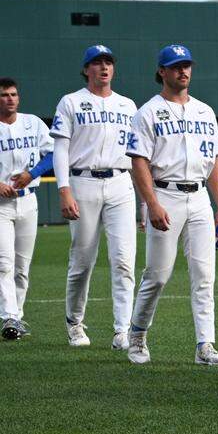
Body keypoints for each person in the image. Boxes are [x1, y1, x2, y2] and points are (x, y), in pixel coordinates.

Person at [124, 45, 218, 365]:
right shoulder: (147, 112)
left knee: (204, 275)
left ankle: (205, 346)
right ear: (162, 71)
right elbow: (139, 162)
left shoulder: (204, 111)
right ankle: (138, 334)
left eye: (186, 66)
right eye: (175, 67)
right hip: (166, 194)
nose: (183, 71)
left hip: (199, 197)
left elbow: (212, 161)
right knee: (157, 275)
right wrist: (152, 204)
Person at [51, 45, 138, 349]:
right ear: (86, 69)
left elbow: (140, 155)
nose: (104, 67)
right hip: (83, 182)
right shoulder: (71, 102)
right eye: (97, 62)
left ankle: (123, 329)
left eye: (108, 62)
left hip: (120, 183)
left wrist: (145, 200)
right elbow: (60, 148)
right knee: (82, 260)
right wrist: (64, 189)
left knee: (125, 260)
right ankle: (75, 322)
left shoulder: (128, 105)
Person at [0, 78, 53, 340]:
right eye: (4, 95)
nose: (9, 98)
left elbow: (53, 154)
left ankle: (15, 318)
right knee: (4, 262)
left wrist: (32, 174)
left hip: (28, 200)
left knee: (22, 266)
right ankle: (8, 315)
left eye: (13, 94)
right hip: (0, 206)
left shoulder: (32, 123)